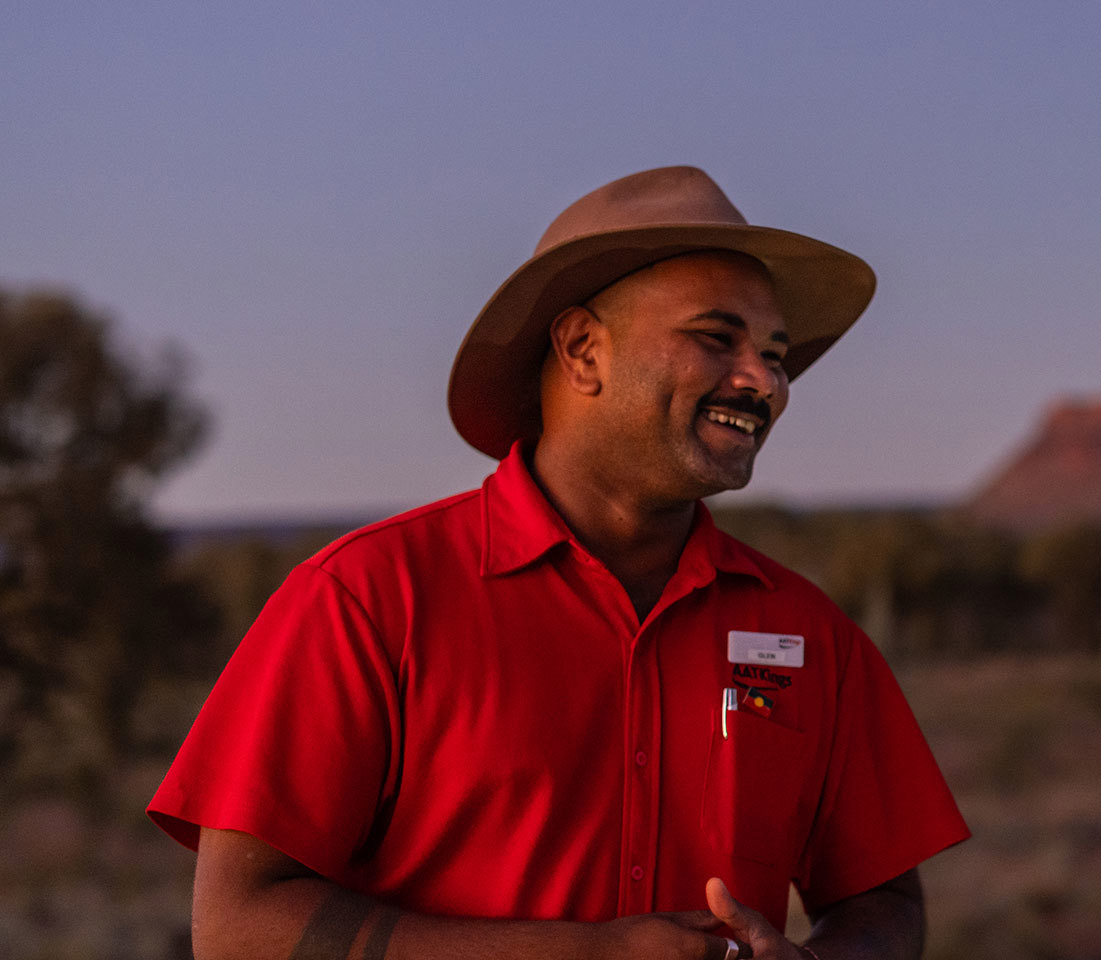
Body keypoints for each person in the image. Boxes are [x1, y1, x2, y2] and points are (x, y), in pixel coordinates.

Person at [148, 166, 969, 960]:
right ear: (582, 350)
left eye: (776, 354)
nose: (764, 381)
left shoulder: (807, 633)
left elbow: (883, 902)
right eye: (718, 338)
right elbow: (238, 927)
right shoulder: (366, 601)